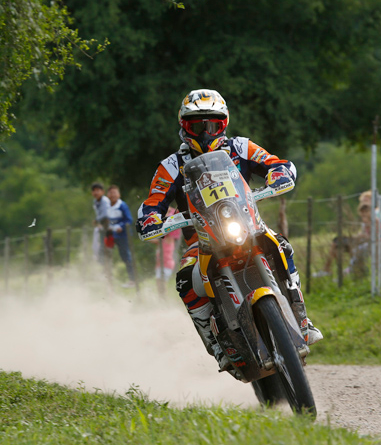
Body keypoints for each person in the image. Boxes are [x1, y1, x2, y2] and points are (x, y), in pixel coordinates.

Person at [135, 89, 322, 372]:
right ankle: (216, 343)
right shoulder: (171, 166)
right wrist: (151, 219)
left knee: (281, 245)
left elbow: (275, 163)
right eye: (197, 125)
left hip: (248, 225)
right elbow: (153, 201)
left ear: (223, 123)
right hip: (202, 240)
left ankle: (301, 318)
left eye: (213, 124)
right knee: (186, 279)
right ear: (184, 127)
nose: (205, 131)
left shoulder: (241, 147)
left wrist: (279, 175)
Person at [107, 184, 137, 287]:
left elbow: (129, 220)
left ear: (119, 194)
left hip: (123, 235)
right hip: (111, 235)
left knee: (126, 257)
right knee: (106, 256)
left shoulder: (122, 205)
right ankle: (108, 279)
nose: (112, 195)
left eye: (114, 193)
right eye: (111, 193)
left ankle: (133, 279)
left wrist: (121, 226)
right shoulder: (107, 207)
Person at [152, 207, 182, 297]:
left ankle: (163, 298)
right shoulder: (163, 240)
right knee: (159, 282)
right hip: (160, 262)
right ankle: (162, 298)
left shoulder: (169, 238)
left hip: (166, 263)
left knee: (162, 282)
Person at [90, 182, 111, 265]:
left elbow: (106, 214)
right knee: (101, 245)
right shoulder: (96, 202)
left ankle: (104, 263)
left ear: (103, 192)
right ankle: (102, 263)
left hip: (109, 223)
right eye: (94, 191)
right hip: (103, 224)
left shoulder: (105, 201)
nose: (96, 192)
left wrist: (96, 220)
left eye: (98, 190)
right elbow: (99, 214)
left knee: (105, 246)